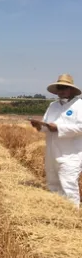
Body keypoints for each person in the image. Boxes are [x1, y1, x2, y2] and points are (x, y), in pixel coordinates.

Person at [30, 73, 82, 208]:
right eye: (59, 88)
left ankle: (72, 216)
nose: (61, 91)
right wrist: (39, 126)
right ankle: (57, 212)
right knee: (53, 182)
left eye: (64, 88)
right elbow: (47, 125)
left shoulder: (79, 105)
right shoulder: (53, 106)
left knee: (68, 184)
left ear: (71, 90)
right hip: (52, 152)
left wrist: (59, 128)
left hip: (71, 154)